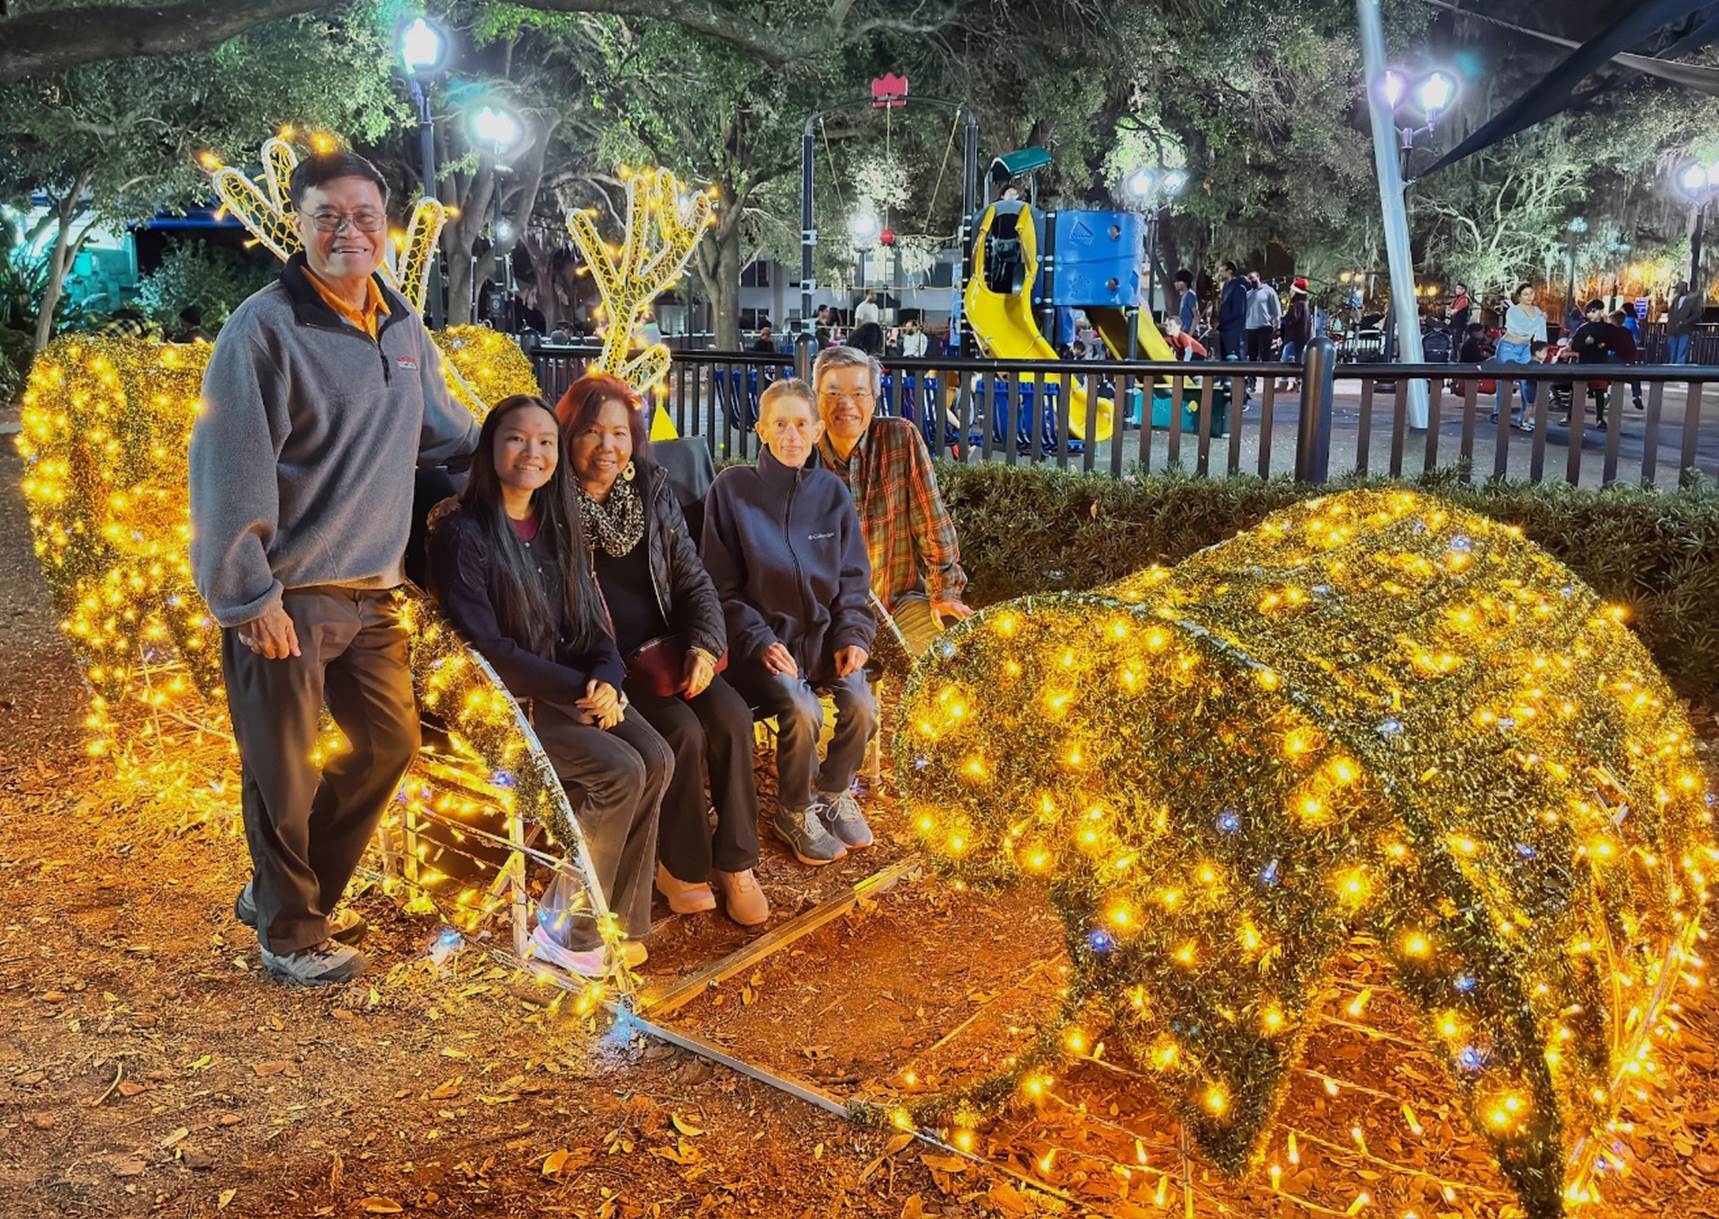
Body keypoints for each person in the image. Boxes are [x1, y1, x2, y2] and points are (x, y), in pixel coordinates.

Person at [189, 151, 480, 985]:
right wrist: (248, 594)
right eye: (328, 216)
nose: (348, 230)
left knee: (390, 746)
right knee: (282, 774)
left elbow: (445, 429)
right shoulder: (264, 328)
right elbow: (228, 467)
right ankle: (289, 934)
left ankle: (280, 891)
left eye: (364, 215)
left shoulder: (399, 324)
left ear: (385, 225)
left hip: (374, 591)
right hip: (290, 591)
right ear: (300, 225)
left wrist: (527, 448)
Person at [426, 394, 670, 975]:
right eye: (516, 438)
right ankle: (564, 929)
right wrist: (579, 690)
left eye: (544, 441)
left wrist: (606, 678)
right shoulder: (462, 532)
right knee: (619, 771)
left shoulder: (560, 527)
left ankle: (619, 920)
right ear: (491, 447)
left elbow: (592, 621)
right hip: (506, 705)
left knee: (658, 757)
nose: (532, 452)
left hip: (571, 688)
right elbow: (489, 651)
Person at [556, 373, 768, 928]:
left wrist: (705, 644)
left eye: (620, 433)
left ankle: (737, 863)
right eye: (592, 431)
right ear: (568, 433)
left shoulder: (649, 487)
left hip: (668, 652)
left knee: (731, 715)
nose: (607, 446)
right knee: (682, 730)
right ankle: (681, 866)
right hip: (605, 663)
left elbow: (693, 576)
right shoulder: (550, 502)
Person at [702, 379, 878, 867]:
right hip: (761, 645)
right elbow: (720, 588)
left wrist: (853, 634)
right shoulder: (732, 490)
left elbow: (853, 578)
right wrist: (758, 640)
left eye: (801, 424)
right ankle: (794, 809)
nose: (791, 435)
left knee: (863, 705)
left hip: (823, 639)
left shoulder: (831, 493)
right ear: (761, 430)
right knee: (803, 711)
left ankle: (833, 791)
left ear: (818, 430)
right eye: (779, 424)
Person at [811, 344, 970, 656]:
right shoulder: (802, 454)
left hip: (897, 603)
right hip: (826, 615)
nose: (846, 404)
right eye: (833, 393)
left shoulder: (900, 438)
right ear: (815, 397)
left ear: (874, 399)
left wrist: (945, 593)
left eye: (858, 393)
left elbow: (932, 524)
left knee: (949, 655)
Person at [1565, 300, 1631, 427]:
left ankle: (1600, 418)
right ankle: (1570, 416)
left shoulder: (1608, 329)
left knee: (1600, 392)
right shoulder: (1583, 328)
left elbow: (1617, 344)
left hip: (1601, 363)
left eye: (1593, 311)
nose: (1590, 314)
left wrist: (1604, 345)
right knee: (1577, 391)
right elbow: (1575, 346)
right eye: (1588, 312)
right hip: (1584, 363)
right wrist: (1586, 344)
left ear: (1600, 311)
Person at [1492, 282, 1546, 428]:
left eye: (1531, 293)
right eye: (1525, 294)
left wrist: (1540, 352)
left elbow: (1540, 334)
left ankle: (1526, 417)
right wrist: (1540, 320)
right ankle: (1499, 414)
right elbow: (1522, 328)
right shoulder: (1513, 311)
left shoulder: (1537, 311)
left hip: (1527, 347)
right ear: (1519, 296)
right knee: (1505, 380)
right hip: (1509, 346)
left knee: (1527, 381)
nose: (1529, 297)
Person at [1276, 278, 1310, 390]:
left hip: (1293, 337)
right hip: (1302, 337)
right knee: (1299, 361)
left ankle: (1283, 383)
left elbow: (1292, 319)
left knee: (1285, 360)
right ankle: (1297, 383)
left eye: (1292, 290)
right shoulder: (1305, 304)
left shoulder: (1296, 305)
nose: (1290, 292)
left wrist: (1282, 320)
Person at [1215, 261, 1249, 364]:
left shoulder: (1239, 287)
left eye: (1222, 271)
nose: (1220, 274)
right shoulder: (1226, 286)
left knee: (1234, 359)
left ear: (1229, 271)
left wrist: (1223, 320)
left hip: (1234, 330)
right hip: (1224, 329)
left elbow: (1238, 311)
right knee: (1224, 360)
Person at [1614, 306, 1644, 410]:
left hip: (1615, 358)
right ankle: (1637, 395)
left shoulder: (1617, 328)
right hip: (1629, 357)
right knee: (1634, 377)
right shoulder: (1634, 325)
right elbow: (1636, 340)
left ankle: (1606, 395)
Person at [1667, 281, 1701, 364]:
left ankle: (1679, 369)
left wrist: (1686, 322)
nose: (1676, 291)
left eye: (1678, 288)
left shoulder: (1693, 299)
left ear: (1683, 288)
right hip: (1673, 329)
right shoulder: (1675, 300)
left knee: (1681, 352)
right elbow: (1670, 313)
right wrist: (1670, 323)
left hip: (1685, 329)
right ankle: (1671, 368)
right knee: (1672, 352)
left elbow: (1697, 314)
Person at [1448, 282, 1472, 346]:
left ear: (1463, 290)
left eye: (1459, 288)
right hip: (1455, 324)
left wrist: (1450, 311)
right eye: (1457, 288)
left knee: (1457, 342)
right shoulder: (1457, 298)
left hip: (1460, 325)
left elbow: (1454, 311)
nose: (1457, 290)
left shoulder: (1464, 299)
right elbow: (1450, 307)